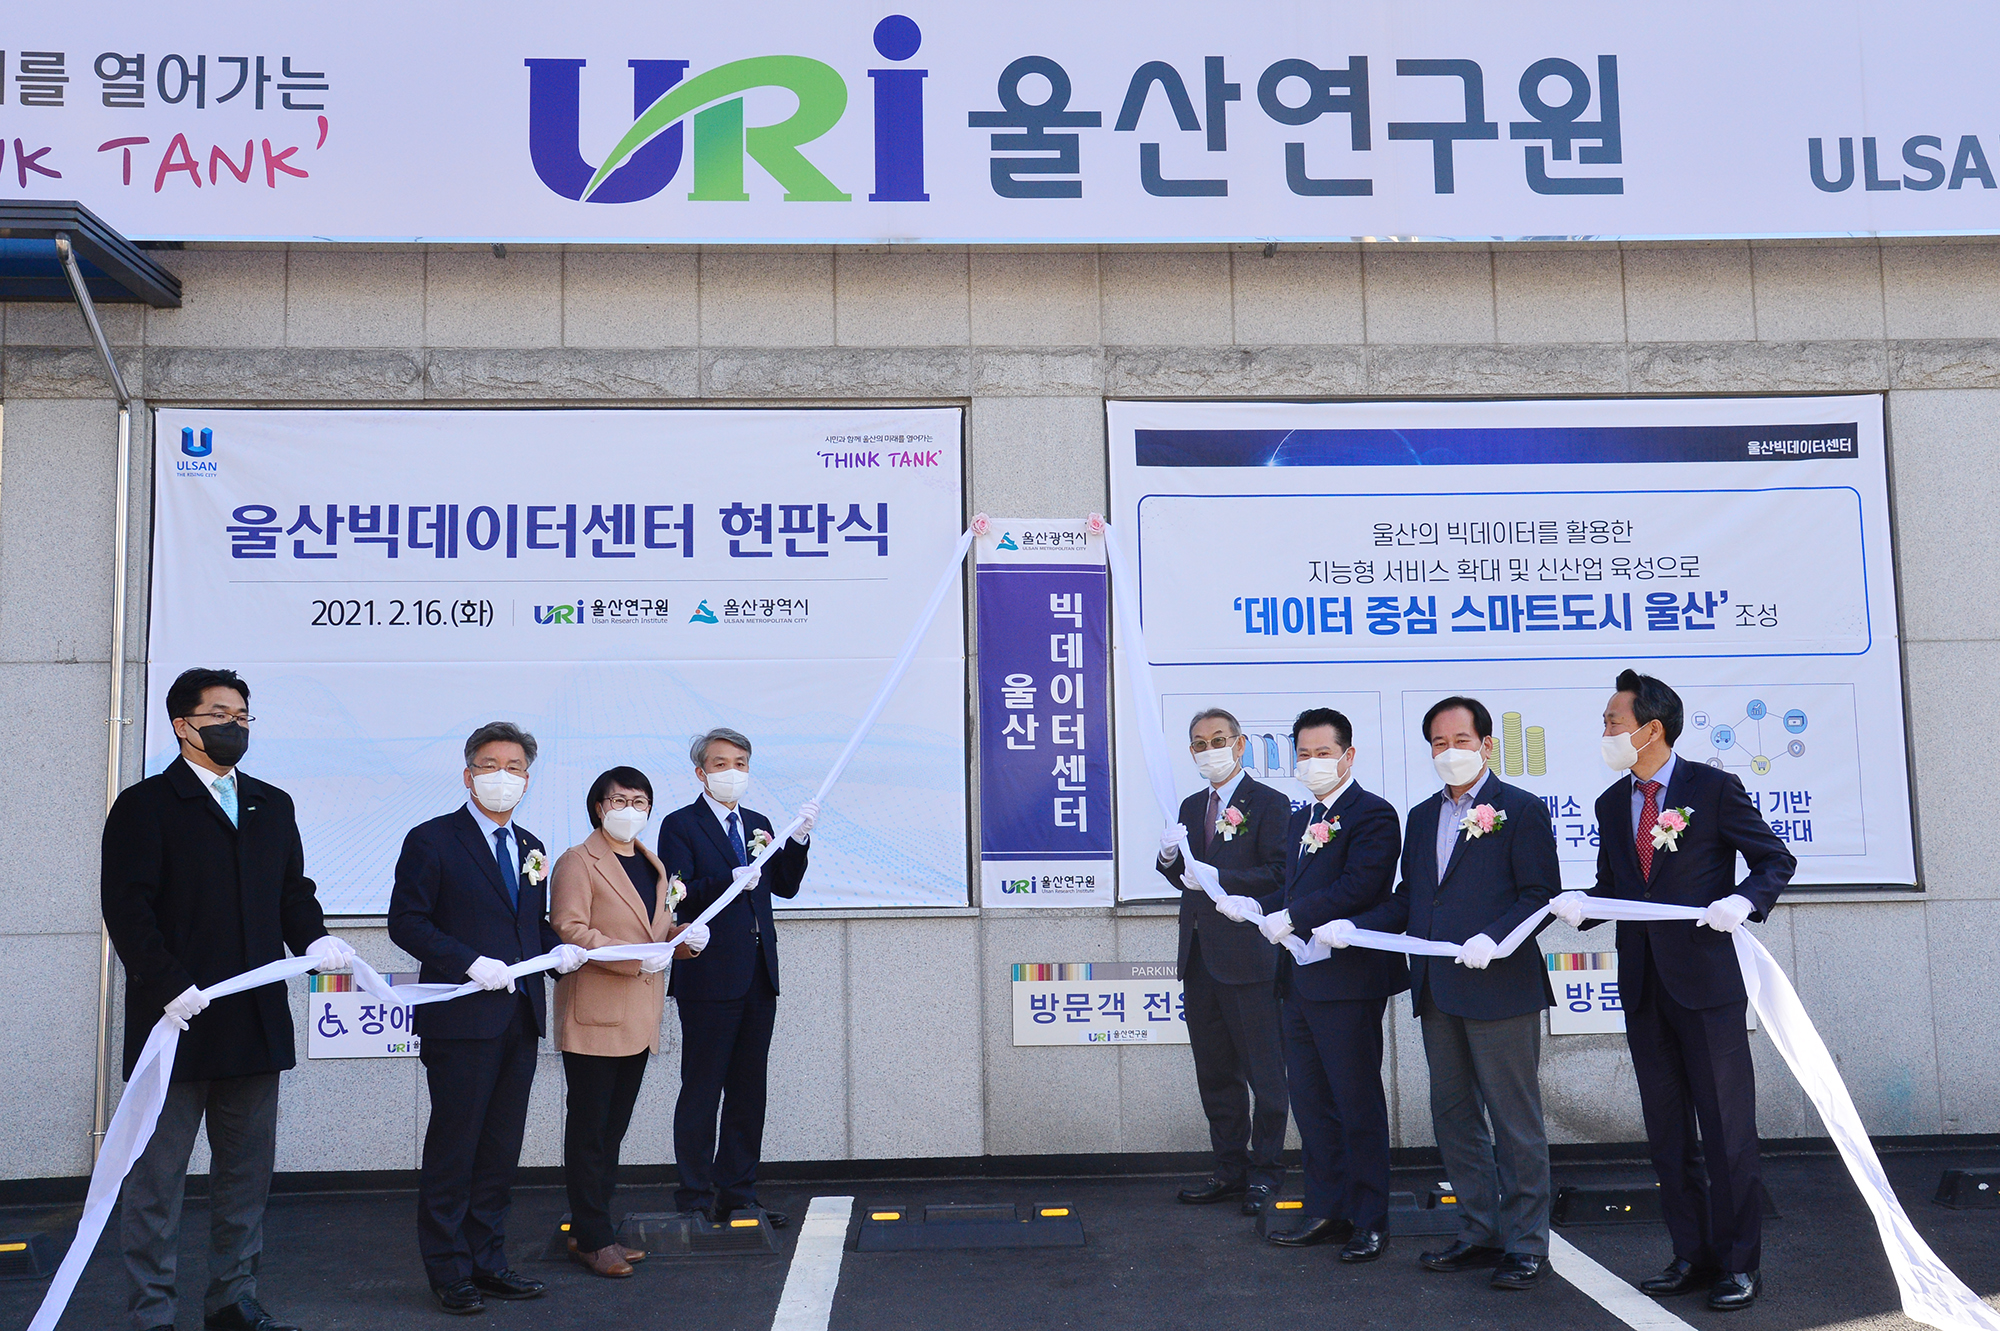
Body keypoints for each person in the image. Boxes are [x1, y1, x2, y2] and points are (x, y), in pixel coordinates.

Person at [102, 667, 356, 1331]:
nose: (233, 726)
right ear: (183, 724)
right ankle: (151, 1311)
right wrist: (165, 982)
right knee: (156, 1183)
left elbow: (291, 894)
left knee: (244, 1179)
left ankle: (232, 1301)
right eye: (219, 713)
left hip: (253, 1024)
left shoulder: (271, 804)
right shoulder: (144, 807)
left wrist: (317, 940)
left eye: (243, 716)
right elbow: (127, 907)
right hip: (175, 1024)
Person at [1550, 671, 1796, 1311]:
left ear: (1650, 729)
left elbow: (1774, 860)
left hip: (1707, 985)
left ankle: (1740, 1264)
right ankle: (1693, 1253)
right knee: (1666, 1133)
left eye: (1612, 720)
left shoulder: (1712, 789)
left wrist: (1745, 899)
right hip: (1642, 983)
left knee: (1726, 1130)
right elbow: (1618, 889)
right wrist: (1585, 905)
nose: (1604, 731)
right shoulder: (1611, 803)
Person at [1352, 696, 1560, 1290]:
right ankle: (1478, 1229)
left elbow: (1540, 896)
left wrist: (1493, 939)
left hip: (1500, 987)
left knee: (1514, 1119)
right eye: (1438, 744)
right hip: (1437, 987)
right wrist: (1354, 927)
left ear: (1487, 744)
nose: (1449, 752)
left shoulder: (1519, 810)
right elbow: (1414, 898)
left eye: (1460, 740)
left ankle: (1526, 1243)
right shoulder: (1421, 817)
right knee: (1455, 1117)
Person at [387, 722, 587, 1316]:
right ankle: (447, 1270)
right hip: (461, 1018)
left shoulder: (530, 846)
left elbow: (528, 926)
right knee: (456, 1146)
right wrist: (467, 961)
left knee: (500, 1149)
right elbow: (408, 922)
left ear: (528, 778)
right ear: (469, 772)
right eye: (492, 764)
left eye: (516, 767)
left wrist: (564, 950)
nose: (505, 776)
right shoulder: (432, 839)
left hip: (518, 1017)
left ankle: (489, 1261)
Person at [1249, 708, 1407, 1261]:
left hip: (1347, 980)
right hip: (1298, 981)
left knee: (1355, 1100)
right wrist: (1249, 905)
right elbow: (1292, 889)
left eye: (1323, 753)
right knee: (1312, 1102)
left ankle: (1370, 1219)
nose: (1312, 764)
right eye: (1305, 754)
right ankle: (1327, 1209)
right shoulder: (1299, 817)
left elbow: (1361, 885)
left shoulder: (1373, 815)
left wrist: (1295, 916)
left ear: (1348, 755)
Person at [550, 767, 710, 1278]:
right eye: (618, 799)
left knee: (612, 1129)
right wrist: (634, 958)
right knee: (590, 1130)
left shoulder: (654, 866)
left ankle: (592, 1230)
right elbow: (570, 928)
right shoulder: (578, 860)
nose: (629, 808)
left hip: (639, 1019)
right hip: (596, 1013)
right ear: (599, 806)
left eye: (639, 800)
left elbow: (656, 936)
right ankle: (593, 1238)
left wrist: (684, 940)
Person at [659, 728, 816, 1228]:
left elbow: (785, 887)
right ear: (701, 772)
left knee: (750, 1089)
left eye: (741, 763)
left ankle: (738, 1192)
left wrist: (798, 841)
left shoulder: (760, 822)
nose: (733, 772)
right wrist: (725, 879)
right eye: (721, 763)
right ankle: (694, 1197)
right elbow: (676, 895)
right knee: (703, 1087)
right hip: (707, 975)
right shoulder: (679, 824)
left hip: (757, 975)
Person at [1156, 707, 1292, 1214]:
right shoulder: (1191, 806)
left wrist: (1218, 877)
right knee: (1215, 1072)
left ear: (1239, 744)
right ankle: (1229, 1168)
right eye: (1198, 742)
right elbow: (1181, 876)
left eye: (1217, 739)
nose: (1208, 749)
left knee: (1265, 1074)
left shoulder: (1271, 803)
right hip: (1198, 957)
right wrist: (1171, 860)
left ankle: (1266, 1171)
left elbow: (1279, 874)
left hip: (1249, 958)